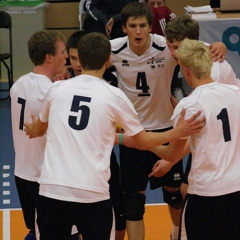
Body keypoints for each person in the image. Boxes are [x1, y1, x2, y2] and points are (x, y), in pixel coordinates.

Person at [23, 32, 204, 240]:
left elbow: (38, 129)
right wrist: (178, 132)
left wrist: (31, 128)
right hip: (92, 193)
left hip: (52, 190)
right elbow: (143, 141)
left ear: (79, 59)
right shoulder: (114, 96)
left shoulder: (56, 89)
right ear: (108, 60)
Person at [109, 2, 227, 240]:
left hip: (168, 130)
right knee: (132, 203)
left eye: (143, 25)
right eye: (133, 26)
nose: (139, 31)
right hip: (135, 132)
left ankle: (177, 233)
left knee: (174, 195)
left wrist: (218, 45)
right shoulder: (113, 49)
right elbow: (84, 55)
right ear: (125, 28)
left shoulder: (165, 46)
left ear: (150, 27)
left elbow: (198, 49)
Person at [151, 38, 240, 239]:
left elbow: (172, 153)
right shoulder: (236, 93)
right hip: (237, 188)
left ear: (186, 69)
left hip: (206, 194)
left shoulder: (188, 106)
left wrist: (141, 139)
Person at [10, 30, 79, 240]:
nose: (66, 57)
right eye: (61, 52)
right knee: (66, 233)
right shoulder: (51, 93)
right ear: (49, 57)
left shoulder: (19, 84)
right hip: (45, 178)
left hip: (23, 172)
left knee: (38, 231)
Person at [162, 14, 240, 199]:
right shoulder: (200, 52)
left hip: (225, 129)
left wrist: (170, 159)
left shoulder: (211, 69)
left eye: (177, 47)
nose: (173, 52)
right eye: (170, 46)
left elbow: (200, 123)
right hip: (221, 122)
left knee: (189, 188)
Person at [64, 30, 127, 240]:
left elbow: (119, 127)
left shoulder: (109, 82)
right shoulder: (61, 85)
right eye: (73, 59)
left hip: (104, 163)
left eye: (80, 58)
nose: (78, 64)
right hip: (71, 169)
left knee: (118, 213)